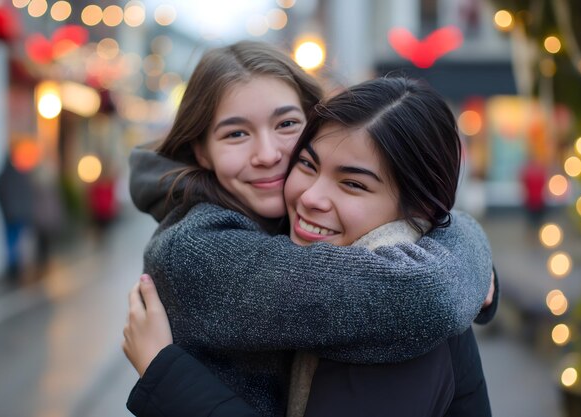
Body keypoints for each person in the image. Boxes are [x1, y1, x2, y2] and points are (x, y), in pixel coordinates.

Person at [124, 41, 494, 417]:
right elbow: (425, 294)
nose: (267, 154)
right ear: (202, 151)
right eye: (236, 134)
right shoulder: (197, 249)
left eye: (286, 124)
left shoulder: (285, 220)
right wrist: (471, 256)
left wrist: (464, 247)